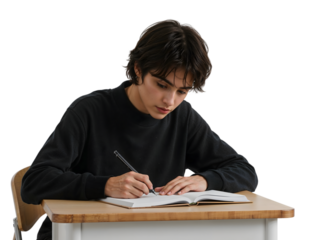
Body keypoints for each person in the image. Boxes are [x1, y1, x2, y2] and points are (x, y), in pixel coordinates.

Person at [21, 18, 260, 240]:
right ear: (137, 69)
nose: (170, 101)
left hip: (141, 234)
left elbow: (247, 172)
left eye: (182, 91)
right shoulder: (88, 110)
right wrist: (104, 186)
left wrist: (205, 181)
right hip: (78, 234)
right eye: (161, 85)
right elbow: (34, 183)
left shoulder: (183, 116)